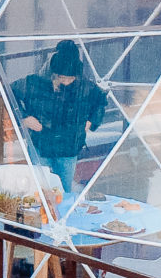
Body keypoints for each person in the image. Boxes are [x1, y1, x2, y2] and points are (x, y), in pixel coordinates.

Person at [12, 40, 110, 197]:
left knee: (64, 192)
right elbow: (8, 93)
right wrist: (23, 118)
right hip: (41, 144)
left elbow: (101, 101)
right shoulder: (34, 83)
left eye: (71, 78)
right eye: (62, 78)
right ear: (53, 74)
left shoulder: (85, 87)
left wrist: (91, 121)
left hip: (69, 146)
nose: (66, 82)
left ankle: (61, 215)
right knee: (40, 191)